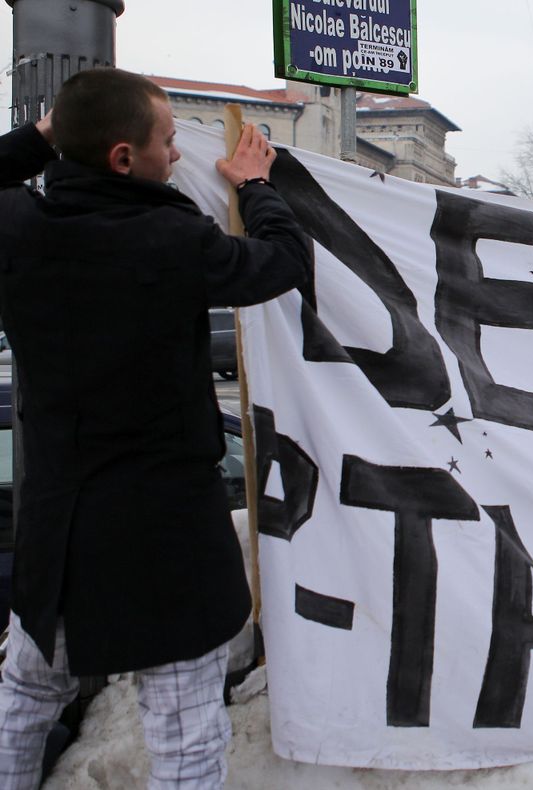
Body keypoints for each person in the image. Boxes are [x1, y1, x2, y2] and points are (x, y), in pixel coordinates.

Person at [0, 68, 311, 788]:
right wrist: (255, 188)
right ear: (122, 158)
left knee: (24, 699)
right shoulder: (170, 240)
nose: (177, 155)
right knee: (183, 734)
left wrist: (47, 135)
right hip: (165, 538)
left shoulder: (17, 226)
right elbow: (284, 261)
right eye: (168, 141)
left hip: (60, 530)